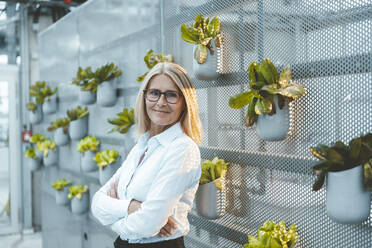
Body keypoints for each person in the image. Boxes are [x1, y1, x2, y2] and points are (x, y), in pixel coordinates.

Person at [91, 62, 203, 248]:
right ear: (144, 98)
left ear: (184, 103)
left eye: (171, 95)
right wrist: (131, 207)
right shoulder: (142, 146)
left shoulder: (182, 149)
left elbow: (148, 224)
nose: (161, 102)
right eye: (154, 93)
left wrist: (113, 219)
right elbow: (97, 203)